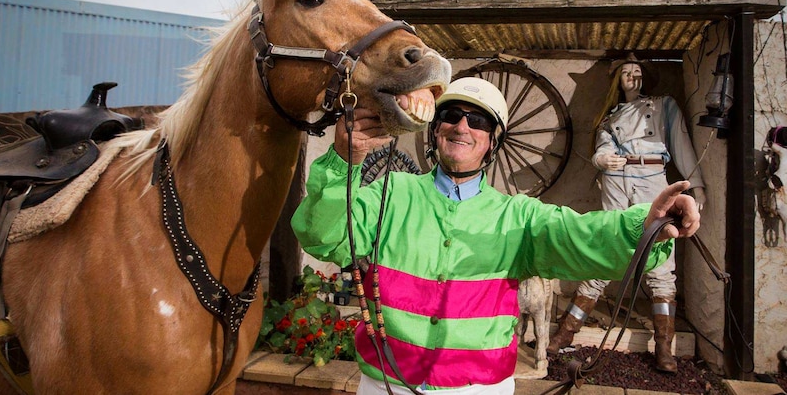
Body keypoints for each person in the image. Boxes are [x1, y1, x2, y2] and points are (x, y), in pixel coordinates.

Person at [291, 77, 701, 395]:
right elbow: (321, 236)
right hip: (385, 386)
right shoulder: (389, 194)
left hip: (480, 389)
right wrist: (345, 161)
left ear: (493, 141)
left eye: (479, 120)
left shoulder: (518, 216)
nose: (462, 127)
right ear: (435, 130)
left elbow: (583, 234)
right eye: (451, 116)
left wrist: (646, 222)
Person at [547, 54, 706, 373]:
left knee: (660, 259)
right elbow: (603, 146)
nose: (631, 77)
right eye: (625, 73)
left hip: (651, 182)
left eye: (636, 72)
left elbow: (681, 143)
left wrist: (696, 186)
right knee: (606, 252)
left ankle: (664, 347)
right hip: (617, 183)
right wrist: (600, 160)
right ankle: (566, 332)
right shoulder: (610, 115)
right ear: (617, 80)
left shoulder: (662, 105)